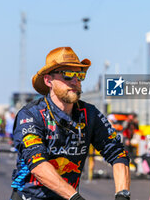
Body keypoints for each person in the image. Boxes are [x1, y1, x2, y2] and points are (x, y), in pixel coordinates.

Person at [11, 47, 131, 200]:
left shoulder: (90, 113)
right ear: (48, 81)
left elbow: (117, 153)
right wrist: (75, 198)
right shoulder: (30, 115)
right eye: (68, 75)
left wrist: (123, 194)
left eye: (80, 75)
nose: (75, 81)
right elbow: (38, 165)